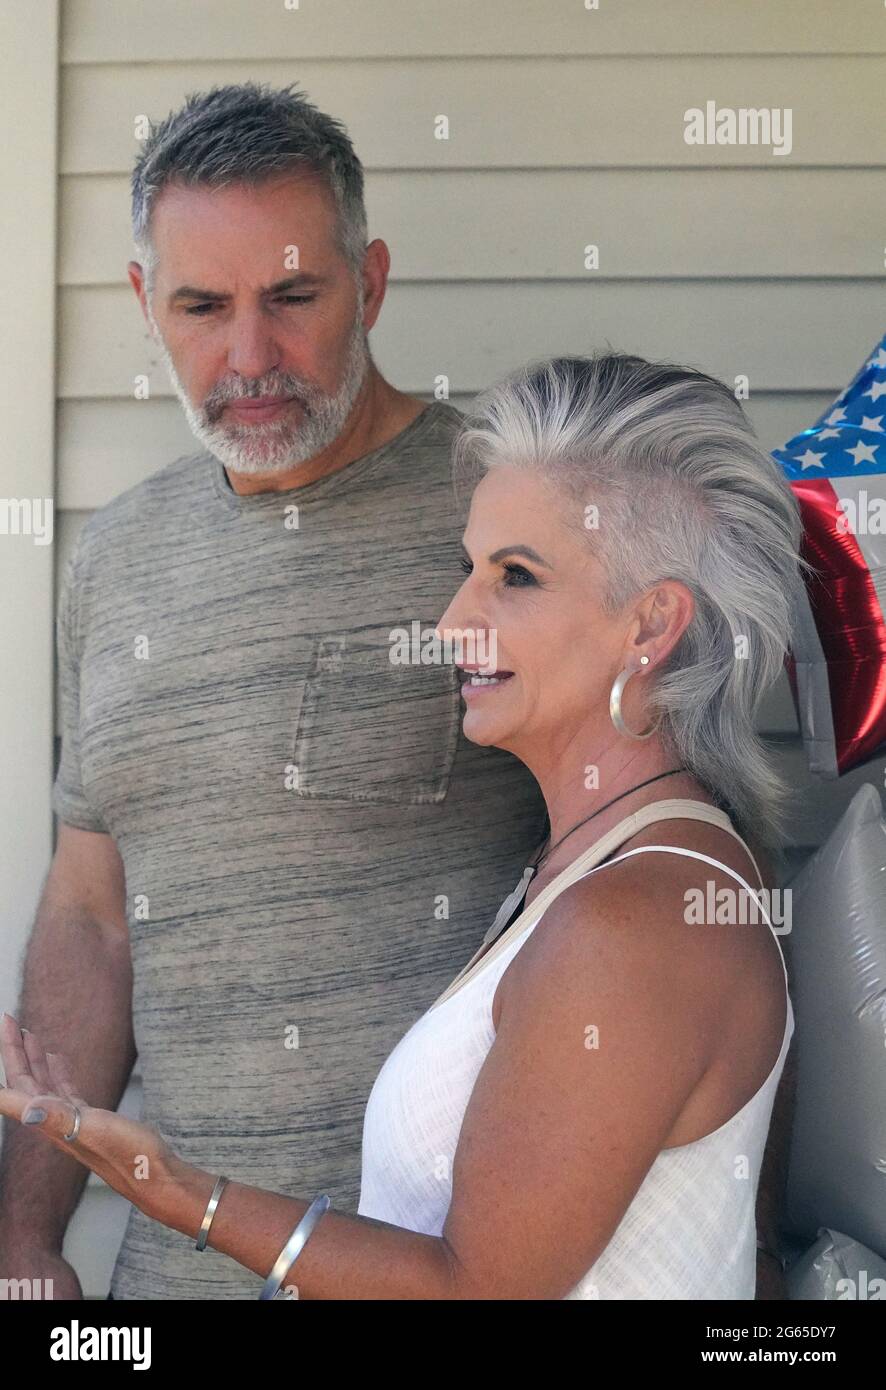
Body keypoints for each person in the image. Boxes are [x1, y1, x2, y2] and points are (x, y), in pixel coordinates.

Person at [1, 352, 804, 1299]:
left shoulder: (634, 921)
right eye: (469, 569)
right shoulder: (601, 866)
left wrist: (179, 1192)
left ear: (650, 624)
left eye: (514, 577)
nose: (455, 618)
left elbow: (474, 1294)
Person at [0, 82, 544, 1300]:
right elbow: (92, 915)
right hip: (164, 1279)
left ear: (372, 280)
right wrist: (26, 1237)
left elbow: (665, 873)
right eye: (202, 306)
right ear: (148, 305)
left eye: (292, 297)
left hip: (426, 1270)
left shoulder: (504, 521)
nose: (249, 358)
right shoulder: (116, 559)